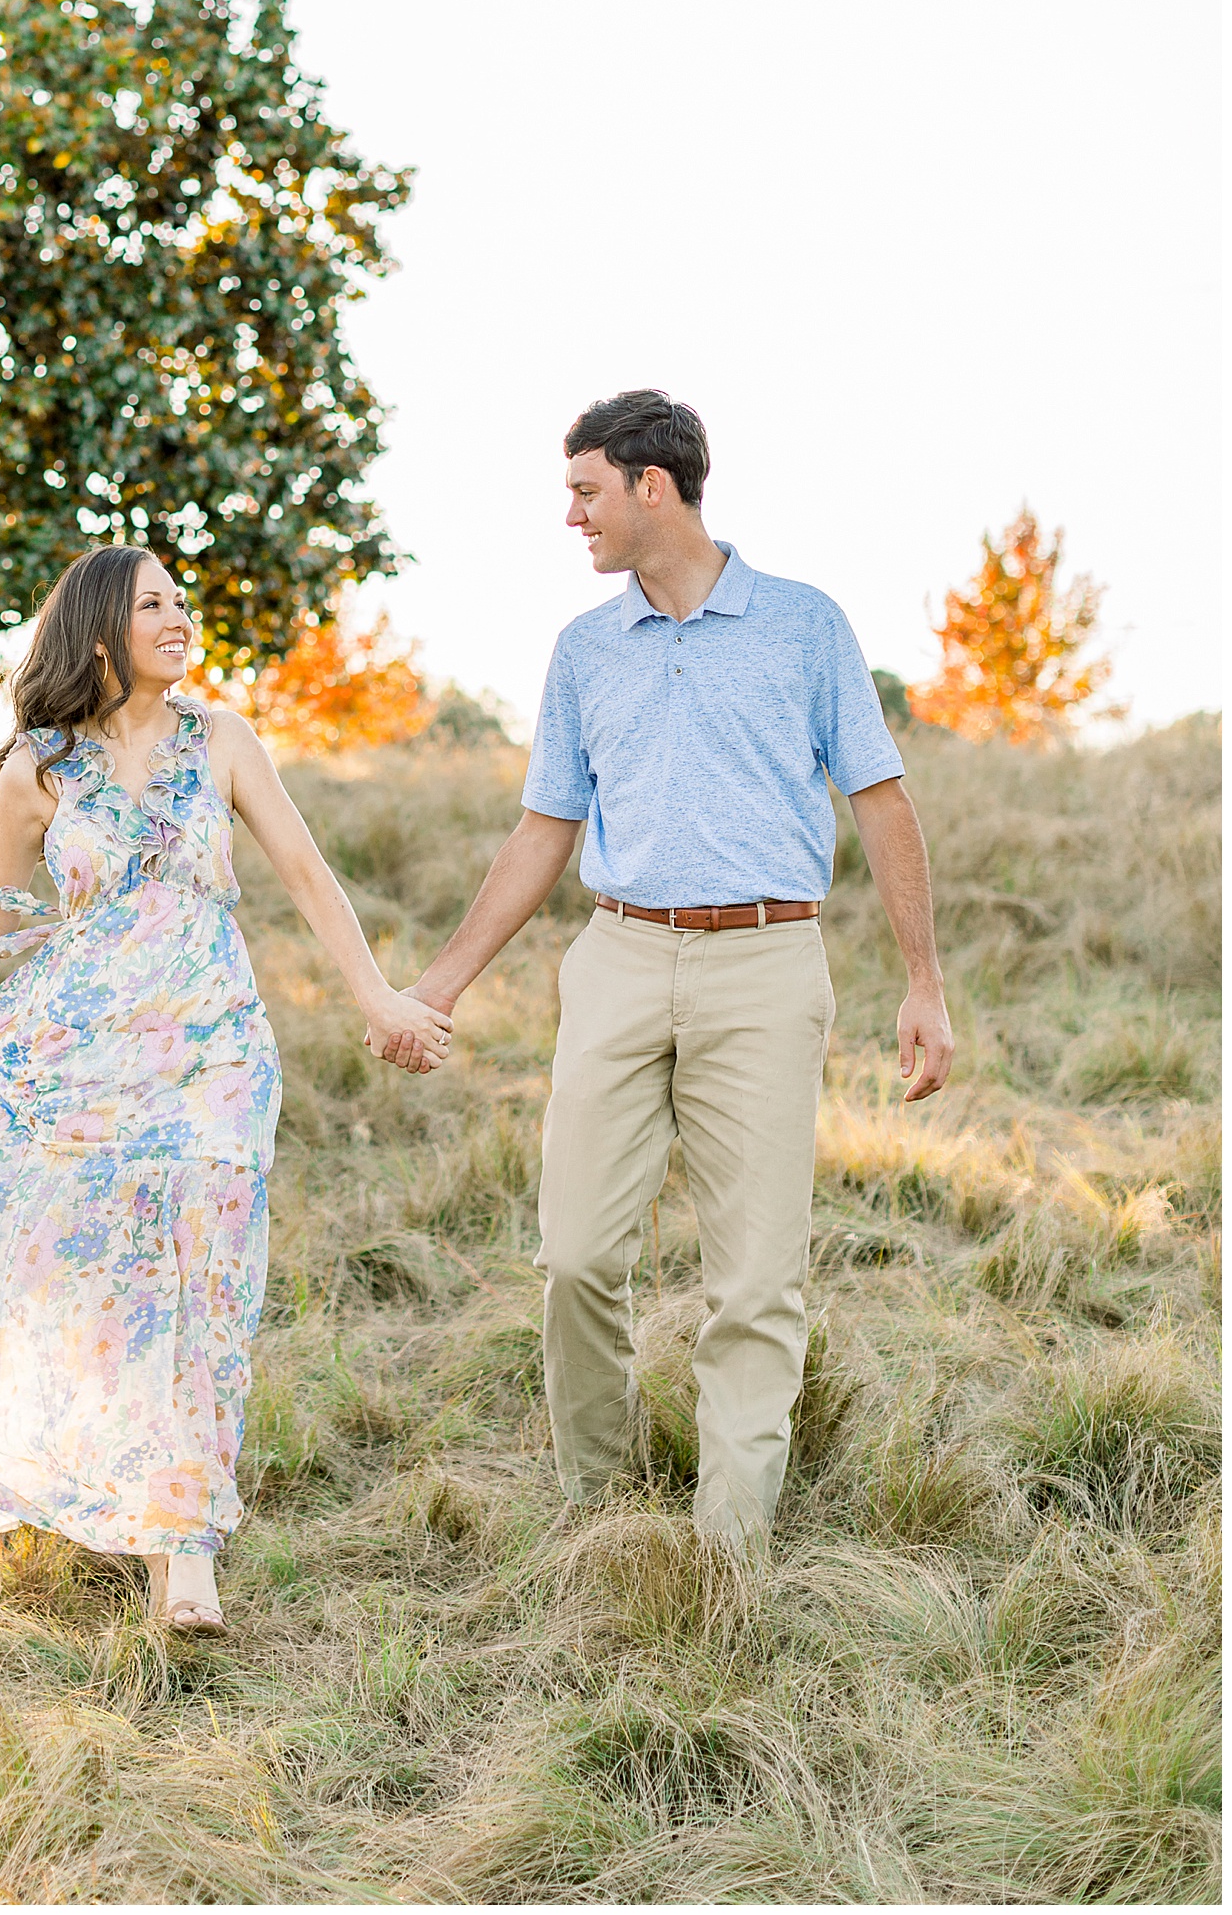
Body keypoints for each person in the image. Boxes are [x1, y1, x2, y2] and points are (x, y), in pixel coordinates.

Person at [0, 546, 447, 1635]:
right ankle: (102, 1474)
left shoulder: (223, 741)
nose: (178, 614)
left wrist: (380, 995)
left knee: (204, 1275)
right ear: (99, 629)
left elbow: (311, 876)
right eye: (150, 602)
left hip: (212, 1051)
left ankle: (185, 1549)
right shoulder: (40, 766)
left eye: (180, 598)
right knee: (102, 1278)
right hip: (73, 1052)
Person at [384, 390, 953, 1548]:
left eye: (584, 490)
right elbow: (544, 828)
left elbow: (884, 805)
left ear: (654, 485)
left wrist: (923, 982)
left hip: (768, 962)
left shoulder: (805, 625)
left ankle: (724, 1549)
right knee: (578, 1254)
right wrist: (439, 982)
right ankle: (600, 1507)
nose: (569, 516)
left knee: (755, 1280)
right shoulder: (584, 649)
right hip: (620, 957)